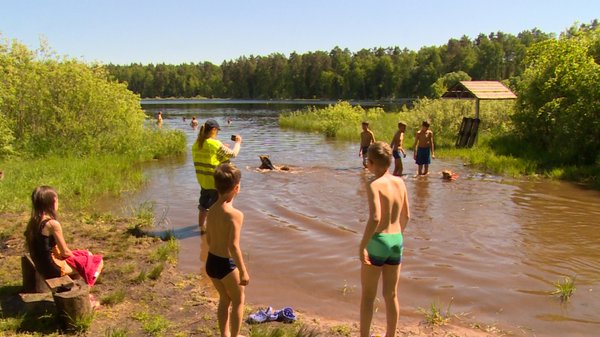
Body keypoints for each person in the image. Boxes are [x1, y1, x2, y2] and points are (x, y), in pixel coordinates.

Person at [359, 142, 410, 337]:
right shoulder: (400, 182)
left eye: (367, 161)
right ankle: (391, 335)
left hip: (378, 241)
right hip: (396, 239)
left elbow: (375, 218)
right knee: (391, 295)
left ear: (371, 163)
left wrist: (362, 246)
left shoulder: (373, 184)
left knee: (368, 297)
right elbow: (407, 216)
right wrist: (397, 236)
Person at [24, 186, 104, 304]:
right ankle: (85, 295)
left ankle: (74, 288)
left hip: (41, 265)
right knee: (96, 261)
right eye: (57, 200)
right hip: (53, 268)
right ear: (51, 202)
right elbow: (65, 252)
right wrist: (82, 258)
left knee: (85, 255)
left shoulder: (33, 221)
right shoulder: (52, 224)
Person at [205, 163, 249, 337]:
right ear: (237, 188)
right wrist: (244, 271)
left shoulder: (211, 210)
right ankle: (235, 336)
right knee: (239, 300)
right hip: (226, 265)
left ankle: (224, 334)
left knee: (224, 299)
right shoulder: (235, 214)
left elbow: (208, 239)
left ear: (216, 186)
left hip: (211, 262)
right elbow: (233, 246)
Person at [192, 119, 241, 233]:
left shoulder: (196, 143)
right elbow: (233, 154)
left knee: (203, 206)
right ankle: (214, 230)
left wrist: (222, 146)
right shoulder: (214, 143)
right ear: (213, 130)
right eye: (217, 131)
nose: (217, 133)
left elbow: (209, 156)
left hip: (203, 181)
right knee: (217, 207)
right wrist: (238, 142)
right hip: (215, 182)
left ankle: (201, 228)